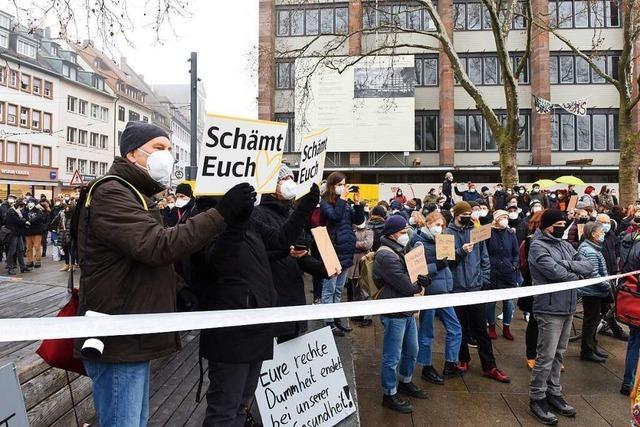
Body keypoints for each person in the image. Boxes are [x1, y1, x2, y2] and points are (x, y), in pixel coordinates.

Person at [75, 121, 256, 427]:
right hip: (118, 334)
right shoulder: (112, 192)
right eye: (159, 148)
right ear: (133, 153)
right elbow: (157, 246)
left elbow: (140, 258)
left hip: (131, 329)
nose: (167, 156)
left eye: (170, 150)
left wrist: (178, 287)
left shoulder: (135, 193)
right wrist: (220, 213)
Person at [200, 182, 319, 427]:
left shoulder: (251, 223)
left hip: (258, 329)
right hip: (231, 336)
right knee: (225, 408)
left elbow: (279, 239)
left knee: (242, 403)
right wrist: (235, 220)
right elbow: (219, 258)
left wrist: (305, 206)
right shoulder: (208, 226)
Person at [527, 209, 592, 425]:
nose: (562, 227)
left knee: (559, 355)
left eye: (564, 224)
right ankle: (537, 397)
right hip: (549, 308)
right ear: (547, 225)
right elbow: (557, 274)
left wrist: (568, 265)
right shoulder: (537, 245)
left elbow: (588, 266)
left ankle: (554, 394)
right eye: (558, 224)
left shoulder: (564, 244)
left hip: (568, 306)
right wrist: (574, 272)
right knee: (545, 356)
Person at [253, 165, 326, 341]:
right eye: (284, 179)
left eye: (291, 179)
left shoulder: (292, 214)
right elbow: (258, 256)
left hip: (293, 296)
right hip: (271, 300)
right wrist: (284, 252)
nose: (289, 183)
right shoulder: (257, 215)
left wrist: (323, 269)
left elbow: (300, 255)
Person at [446, 201, 510, 383]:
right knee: (460, 327)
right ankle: (463, 359)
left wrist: (484, 280)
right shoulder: (446, 234)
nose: (467, 217)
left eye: (469, 214)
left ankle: (489, 366)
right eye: (464, 215)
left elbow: (484, 259)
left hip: (475, 288)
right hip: (457, 289)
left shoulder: (476, 233)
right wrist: (461, 252)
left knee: (481, 329)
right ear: (456, 215)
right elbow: (445, 261)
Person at [373, 215, 429, 413]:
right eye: (403, 231)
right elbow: (404, 285)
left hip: (405, 308)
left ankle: (405, 381)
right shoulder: (386, 255)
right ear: (393, 233)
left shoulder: (399, 248)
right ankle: (389, 393)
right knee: (392, 355)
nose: (406, 234)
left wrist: (419, 276)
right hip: (394, 309)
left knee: (412, 349)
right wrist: (419, 284)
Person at [410, 212, 464, 385]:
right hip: (430, 293)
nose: (440, 228)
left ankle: (450, 362)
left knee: (455, 328)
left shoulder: (442, 240)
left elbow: (449, 263)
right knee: (426, 332)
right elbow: (416, 268)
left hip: (444, 291)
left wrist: (460, 253)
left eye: (442, 225)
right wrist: (437, 265)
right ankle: (426, 366)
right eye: (437, 224)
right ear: (428, 222)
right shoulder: (419, 241)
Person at [320, 171, 365, 336]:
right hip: (331, 249)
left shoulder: (344, 204)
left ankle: (337, 320)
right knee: (329, 289)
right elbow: (335, 217)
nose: (343, 188)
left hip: (346, 250)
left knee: (339, 289)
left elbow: (358, 221)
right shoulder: (325, 202)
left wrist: (358, 205)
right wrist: (343, 200)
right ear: (332, 186)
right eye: (339, 185)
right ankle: (328, 322)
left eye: (344, 185)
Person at [577, 222, 611, 363]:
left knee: (594, 321)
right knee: (590, 322)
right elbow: (593, 275)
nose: (603, 234)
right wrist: (608, 286)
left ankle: (592, 347)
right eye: (601, 232)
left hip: (596, 292)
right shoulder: (589, 251)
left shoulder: (593, 248)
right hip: (592, 293)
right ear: (593, 234)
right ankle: (587, 350)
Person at [517, 210, 545, 370]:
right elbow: (523, 265)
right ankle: (532, 355)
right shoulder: (528, 242)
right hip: (533, 285)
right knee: (535, 321)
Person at [486, 210, 519, 341]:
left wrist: (514, 265)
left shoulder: (511, 234)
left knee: (509, 302)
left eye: (506, 217)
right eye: (502, 217)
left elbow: (515, 253)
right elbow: (485, 252)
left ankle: (506, 327)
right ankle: (492, 327)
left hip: (508, 272)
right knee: (491, 302)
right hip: (492, 271)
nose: (505, 219)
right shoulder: (489, 232)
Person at [596, 213, 628, 341]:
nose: (606, 225)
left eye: (608, 222)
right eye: (604, 222)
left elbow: (616, 251)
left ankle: (610, 327)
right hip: (600, 277)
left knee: (607, 305)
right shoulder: (595, 237)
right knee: (606, 305)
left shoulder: (611, 236)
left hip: (611, 274)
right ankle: (615, 329)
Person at [620, 222, 640, 395]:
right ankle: (630, 381)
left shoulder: (632, 241)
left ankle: (628, 380)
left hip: (634, 298)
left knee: (634, 341)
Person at [348, 213, 374, 327]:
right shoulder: (352, 230)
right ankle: (359, 313)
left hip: (364, 261)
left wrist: (354, 244)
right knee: (356, 290)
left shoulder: (369, 231)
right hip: (353, 263)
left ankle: (367, 317)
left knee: (366, 290)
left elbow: (367, 244)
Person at [4, 199, 29, 275]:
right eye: (21, 208)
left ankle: (23, 267)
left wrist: (22, 218)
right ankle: (10, 267)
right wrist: (22, 219)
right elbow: (17, 222)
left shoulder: (16, 212)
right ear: (18, 207)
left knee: (21, 250)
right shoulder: (11, 212)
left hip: (18, 233)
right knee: (12, 251)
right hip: (13, 234)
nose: (22, 210)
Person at [51, 202, 76, 272]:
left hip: (71, 235)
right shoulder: (63, 215)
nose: (66, 209)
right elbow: (54, 222)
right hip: (63, 234)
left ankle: (72, 265)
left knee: (72, 251)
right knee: (65, 250)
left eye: (68, 208)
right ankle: (66, 264)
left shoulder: (74, 216)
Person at [23, 198, 45, 268]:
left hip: (37, 232)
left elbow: (40, 218)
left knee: (37, 247)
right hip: (28, 232)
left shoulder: (38, 211)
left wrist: (30, 221)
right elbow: (22, 217)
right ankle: (30, 261)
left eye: (32, 202)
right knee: (28, 248)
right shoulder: (25, 211)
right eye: (29, 202)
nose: (30, 203)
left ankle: (38, 261)